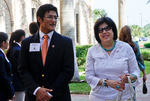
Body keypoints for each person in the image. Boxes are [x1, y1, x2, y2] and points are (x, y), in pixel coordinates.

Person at [18, 4, 74, 101]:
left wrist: (50, 93)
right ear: (39, 19)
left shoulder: (65, 42)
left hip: (58, 96)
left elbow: (68, 71)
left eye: (55, 17)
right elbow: (23, 70)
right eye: (50, 17)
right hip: (34, 97)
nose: (54, 21)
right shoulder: (27, 43)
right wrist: (37, 90)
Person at [85, 17, 140, 101]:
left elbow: (136, 71)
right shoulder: (92, 51)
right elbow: (89, 77)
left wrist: (131, 77)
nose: (104, 32)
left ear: (113, 30)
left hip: (124, 97)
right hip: (99, 98)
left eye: (107, 28)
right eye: (100, 30)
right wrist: (107, 82)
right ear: (97, 34)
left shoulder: (126, 48)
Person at [119, 25, 147, 96]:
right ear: (130, 34)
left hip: (120, 74)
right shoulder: (134, 46)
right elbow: (140, 60)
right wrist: (144, 74)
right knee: (131, 92)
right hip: (131, 74)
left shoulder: (117, 46)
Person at [6, 29, 26, 101]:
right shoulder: (17, 50)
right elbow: (19, 68)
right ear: (22, 38)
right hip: (18, 83)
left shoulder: (13, 48)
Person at [0, 32, 15, 101]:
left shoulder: (2, 54)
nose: (8, 43)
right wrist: (10, 91)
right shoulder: (0, 56)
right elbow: (3, 75)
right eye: (7, 41)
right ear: (3, 43)